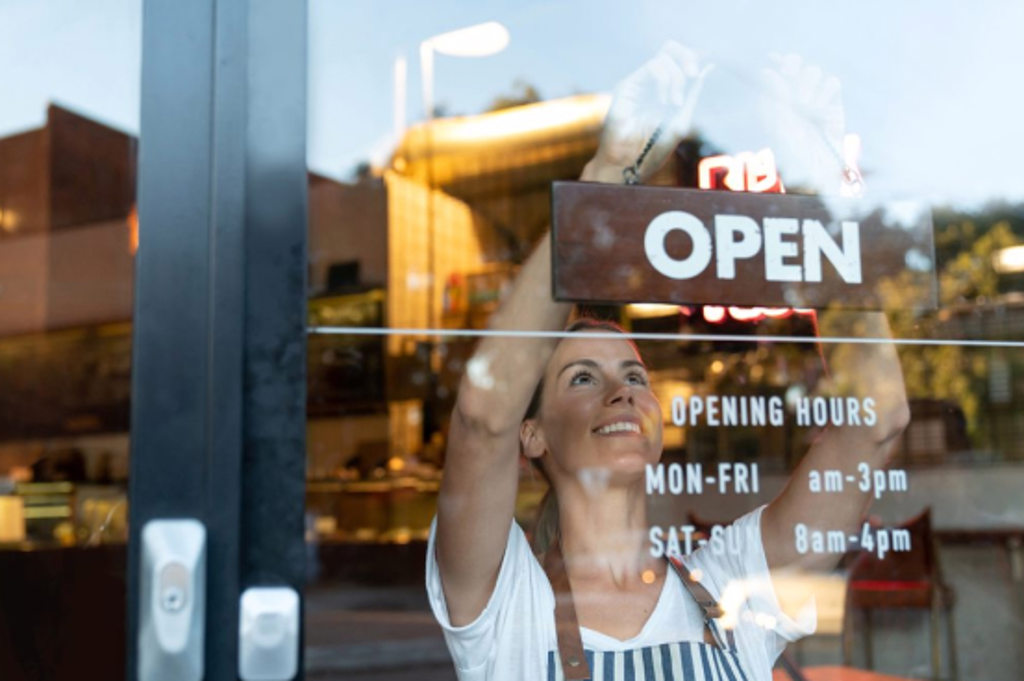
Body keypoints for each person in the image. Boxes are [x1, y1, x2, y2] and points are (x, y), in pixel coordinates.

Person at [426, 43, 909, 681]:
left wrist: (815, 179)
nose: (621, 394)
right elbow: (484, 414)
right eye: (581, 378)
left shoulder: (730, 582)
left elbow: (876, 421)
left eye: (634, 377)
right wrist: (609, 173)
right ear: (531, 431)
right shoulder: (500, 597)